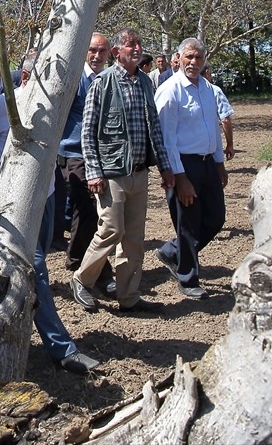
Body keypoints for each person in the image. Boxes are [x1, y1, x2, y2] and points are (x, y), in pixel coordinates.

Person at [0, 55, 100, 374]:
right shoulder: (0, 108)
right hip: (9, 206)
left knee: (29, 270)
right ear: (27, 76)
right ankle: (62, 349)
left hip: (45, 197)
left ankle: (2, 335)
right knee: (36, 270)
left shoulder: (55, 110)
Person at [70, 29, 174, 315]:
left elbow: (154, 127)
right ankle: (82, 279)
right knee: (111, 229)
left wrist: (165, 167)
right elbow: (88, 133)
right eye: (131, 45)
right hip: (111, 173)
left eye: (139, 44)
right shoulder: (102, 84)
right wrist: (94, 171)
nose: (137, 49)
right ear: (117, 52)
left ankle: (128, 296)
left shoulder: (144, 83)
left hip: (139, 172)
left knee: (134, 239)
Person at [153, 38, 228, 299]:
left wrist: (219, 163)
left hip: (208, 164)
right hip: (183, 165)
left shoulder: (207, 89)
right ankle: (187, 277)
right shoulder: (170, 90)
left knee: (216, 218)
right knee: (188, 223)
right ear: (179, 57)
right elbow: (166, 138)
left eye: (198, 58)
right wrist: (180, 177)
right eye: (189, 57)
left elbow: (214, 129)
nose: (194, 63)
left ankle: (173, 252)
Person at [59, 34, 114, 295]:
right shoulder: (75, 80)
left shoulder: (106, 80)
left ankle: (75, 257)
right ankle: (103, 271)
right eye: (92, 50)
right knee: (90, 208)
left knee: (87, 210)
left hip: (98, 154)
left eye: (101, 51)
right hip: (73, 154)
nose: (96, 56)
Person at [201, 65, 235, 161]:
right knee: (220, 174)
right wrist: (230, 144)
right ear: (207, 72)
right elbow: (225, 119)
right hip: (212, 144)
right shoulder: (214, 90)